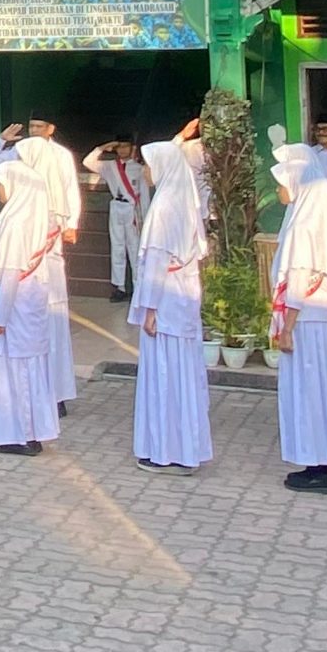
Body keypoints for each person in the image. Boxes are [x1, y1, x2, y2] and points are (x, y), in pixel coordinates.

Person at [271, 140, 327, 493]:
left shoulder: (304, 225)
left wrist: (287, 327)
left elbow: (299, 278)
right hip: (316, 319)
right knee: (319, 390)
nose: (278, 190)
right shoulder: (310, 216)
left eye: (281, 182)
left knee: (311, 391)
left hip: (305, 321)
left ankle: (324, 467)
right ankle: (321, 462)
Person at [130, 127, 210, 472]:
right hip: (184, 297)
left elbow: (156, 263)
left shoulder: (163, 207)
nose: (145, 172)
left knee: (165, 375)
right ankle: (185, 446)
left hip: (166, 302)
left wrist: (148, 309)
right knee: (183, 375)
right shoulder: (185, 200)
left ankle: (168, 450)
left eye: (148, 165)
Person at [0, 119, 81, 411]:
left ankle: (55, 393)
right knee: (35, 333)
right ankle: (39, 395)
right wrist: (1, 140)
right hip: (33, 279)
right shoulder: (24, 199)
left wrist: (72, 222)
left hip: (45, 272)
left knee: (52, 328)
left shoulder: (60, 158)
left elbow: (70, 190)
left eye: (37, 126)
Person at [0, 162, 61, 457]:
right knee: (28, 368)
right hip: (29, 304)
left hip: (14, 307)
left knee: (16, 372)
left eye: (1, 183)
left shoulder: (15, 223)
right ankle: (26, 431)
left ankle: (20, 434)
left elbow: (9, 273)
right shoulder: (33, 217)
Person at [82, 137, 152, 302]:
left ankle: (137, 286)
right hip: (116, 206)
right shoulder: (109, 166)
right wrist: (103, 147)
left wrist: (144, 218)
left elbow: (144, 195)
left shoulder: (139, 169)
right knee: (117, 246)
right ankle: (119, 287)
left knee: (135, 248)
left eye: (125, 147)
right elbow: (87, 162)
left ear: (132, 148)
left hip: (132, 209)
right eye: (119, 147)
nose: (122, 150)